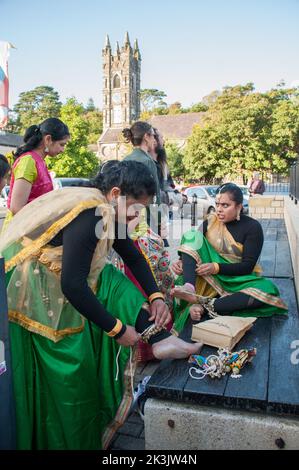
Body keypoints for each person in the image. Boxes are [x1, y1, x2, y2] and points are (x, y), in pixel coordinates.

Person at [0, 160, 202, 450]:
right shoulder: (92, 213)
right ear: (116, 192)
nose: (136, 216)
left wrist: (156, 296)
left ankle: (158, 339)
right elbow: (72, 285)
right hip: (35, 291)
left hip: (61, 279)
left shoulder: (105, 205)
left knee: (112, 278)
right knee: (70, 369)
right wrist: (118, 330)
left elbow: (132, 256)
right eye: (135, 208)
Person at [171, 183, 287, 333]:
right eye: (217, 204)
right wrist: (182, 262)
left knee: (268, 289)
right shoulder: (210, 222)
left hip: (235, 279)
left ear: (239, 206)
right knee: (191, 235)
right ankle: (190, 289)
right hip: (206, 279)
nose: (219, 209)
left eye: (225, 205)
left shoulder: (252, 227)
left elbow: (247, 267)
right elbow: (192, 246)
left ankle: (205, 304)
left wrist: (216, 267)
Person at [3, 118, 70, 229]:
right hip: (19, 235)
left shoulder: (40, 161)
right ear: (48, 139)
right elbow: (17, 208)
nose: (63, 150)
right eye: (62, 144)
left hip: (31, 232)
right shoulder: (28, 161)